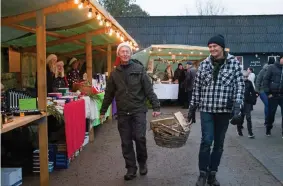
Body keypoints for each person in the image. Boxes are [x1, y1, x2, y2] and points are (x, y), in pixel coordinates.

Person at [188, 34, 244, 186]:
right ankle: (202, 173)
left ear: (222, 47)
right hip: (206, 109)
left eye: (215, 46)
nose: (212, 49)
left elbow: (240, 85)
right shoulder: (204, 65)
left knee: (219, 143)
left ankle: (212, 173)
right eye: (210, 46)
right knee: (206, 141)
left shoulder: (234, 64)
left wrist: (238, 106)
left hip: (224, 111)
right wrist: (192, 107)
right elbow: (197, 88)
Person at [100, 42, 161, 181]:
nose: (125, 53)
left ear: (131, 53)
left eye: (127, 51)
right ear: (119, 54)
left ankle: (142, 162)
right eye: (122, 51)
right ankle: (131, 168)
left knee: (139, 138)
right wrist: (103, 110)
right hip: (123, 113)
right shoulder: (115, 73)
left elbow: (148, 90)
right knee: (126, 142)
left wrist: (156, 106)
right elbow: (109, 94)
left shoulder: (139, 69)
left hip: (138, 110)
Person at [263, 54, 283, 137]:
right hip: (273, 94)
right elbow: (265, 79)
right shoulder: (272, 67)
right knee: (271, 114)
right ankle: (268, 128)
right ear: (280, 59)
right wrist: (268, 93)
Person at [255, 57, 275, 126]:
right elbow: (258, 80)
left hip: (270, 91)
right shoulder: (264, 70)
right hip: (263, 90)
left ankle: (268, 120)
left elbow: (258, 80)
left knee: (270, 105)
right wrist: (257, 91)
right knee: (268, 105)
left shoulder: (273, 70)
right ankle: (267, 121)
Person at [237, 70, 257, 138]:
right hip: (240, 102)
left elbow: (253, 92)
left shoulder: (249, 82)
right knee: (241, 118)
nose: (245, 78)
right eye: (244, 76)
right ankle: (239, 130)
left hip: (247, 102)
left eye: (246, 76)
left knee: (248, 118)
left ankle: (250, 133)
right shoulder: (238, 82)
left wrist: (253, 100)